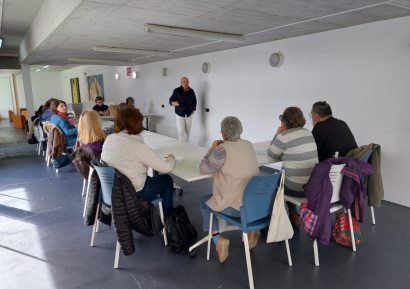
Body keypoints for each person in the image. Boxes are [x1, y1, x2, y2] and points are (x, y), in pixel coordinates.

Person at [199, 116, 260, 263]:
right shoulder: (249, 145)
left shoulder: (221, 150)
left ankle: (217, 239)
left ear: (222, 133)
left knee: (203, 201)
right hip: (256, 206)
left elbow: (203, 169)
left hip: (235, 208)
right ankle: (251, 231)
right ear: (241, 130)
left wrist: (212, 148)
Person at [101, 107, 176, 215]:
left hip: (112, 191)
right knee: (167, 180)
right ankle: (169, 219)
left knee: (149, 178)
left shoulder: (110, 139)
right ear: (137, 123)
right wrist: (171, 158)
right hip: (134, 193)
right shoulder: (138, 146)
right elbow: (166, 168)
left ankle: (148, 214)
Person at [267, 107, 318, 226]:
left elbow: (271, 154)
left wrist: (277, 134)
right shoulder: (308, 133)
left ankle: (271, 222)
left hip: (295, 189)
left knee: (274, 180)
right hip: (311, 187)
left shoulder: (284, 136)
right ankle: (293, 214)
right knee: (288, 176)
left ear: (284, 120)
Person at [169, 76, 197, 142]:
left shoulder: (191, 91)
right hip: (179, 114)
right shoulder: (176, 91)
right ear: (181, 83)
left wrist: (193, 109)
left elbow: (194, 101)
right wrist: (174, 103)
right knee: (181, 132)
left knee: (188, 132)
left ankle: (186, 145)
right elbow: (170, 100)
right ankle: (181, 146)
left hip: (189, 114)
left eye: (187, 82)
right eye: (184, 81)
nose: (186, 83)